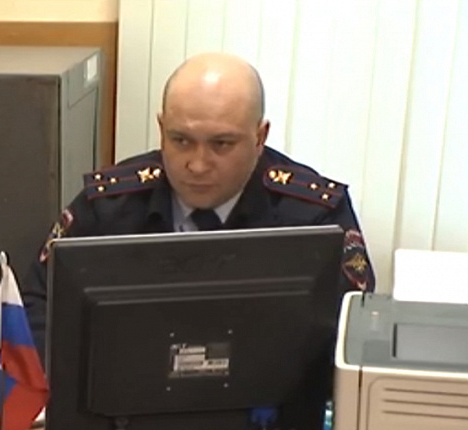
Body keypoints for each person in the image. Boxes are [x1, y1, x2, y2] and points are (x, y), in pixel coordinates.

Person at [23, 53, 375, 356]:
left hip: (267, 403)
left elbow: (352, 332)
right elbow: (38, 306)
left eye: (221, 144)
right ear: (162, 129)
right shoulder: (109, 207)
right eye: (181, 140)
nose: (197, 164)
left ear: (259, 137)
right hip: (128, 394)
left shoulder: (315, 218)